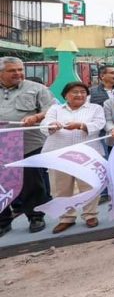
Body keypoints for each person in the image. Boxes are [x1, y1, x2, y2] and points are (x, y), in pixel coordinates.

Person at [42, 82, 105, 233]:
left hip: (86, 154)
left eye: (83, 92)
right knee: (60, 188)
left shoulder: (95, 108)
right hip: (59, 154)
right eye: (74, 92)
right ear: (65, 95)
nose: (79, 95)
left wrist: (81, 125)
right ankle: (66, 218)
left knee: (89, 186)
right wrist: (52, 125)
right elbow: (44, 124)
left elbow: (99, 124)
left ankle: (90, 215)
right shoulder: (56, 109)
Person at [0, 57, 53, 237]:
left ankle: (35, 216)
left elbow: (52, 109)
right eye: (12, 70)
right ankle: (3, 220)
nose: (18, 73)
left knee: (33, 182)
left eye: (20, 70)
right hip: (1, 145)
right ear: (1, 73)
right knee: (2, 183)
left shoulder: (36, 88)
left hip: (28, 143)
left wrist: (37, 117)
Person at [89, 64, 114, 204]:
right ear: (102, 76)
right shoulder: (92, 93)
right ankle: (105, 192)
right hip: (102, 133)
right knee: (103, 161)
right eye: (112, 73)